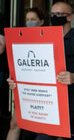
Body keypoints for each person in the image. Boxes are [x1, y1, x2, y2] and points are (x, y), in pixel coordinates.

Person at [7, 2, 74, 140]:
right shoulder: (43, 37)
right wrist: (16, 80)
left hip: (66, 103)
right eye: (53, 14)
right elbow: (32, 67)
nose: (55, 17)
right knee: (21, 129)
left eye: (60, 14)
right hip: (40, 99)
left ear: (70, 17)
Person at [6, 7, 45, 140]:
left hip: (44, 93)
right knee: (15, 124)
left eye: (33, 19)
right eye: (27, 20)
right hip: (26, 92)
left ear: (41, 22)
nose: (29, 22)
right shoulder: (20, 40)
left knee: (44, 131)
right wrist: (12, 79)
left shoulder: (49, 40)